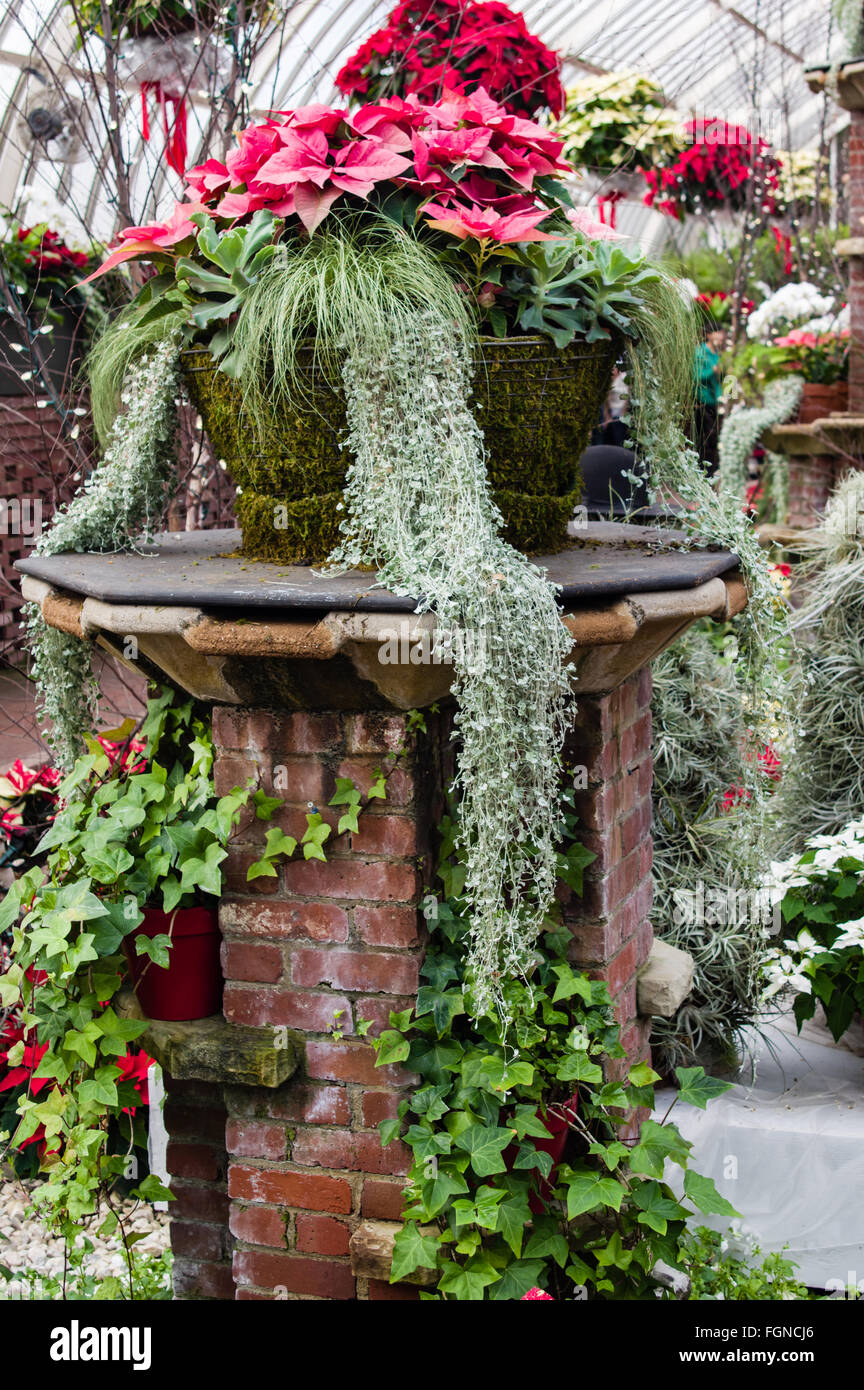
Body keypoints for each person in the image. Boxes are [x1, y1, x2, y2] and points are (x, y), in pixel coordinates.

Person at [692, 325, 725, 476]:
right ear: (708, 335)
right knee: (707, 438)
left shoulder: (720, 355)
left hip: (719, 403)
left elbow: (728, 377)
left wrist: (731, 397)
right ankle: (704, 472)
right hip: (703, 403)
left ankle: (713, 470)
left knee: (718, 438)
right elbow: (695, 378)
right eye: (717, 333)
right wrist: (713, 371)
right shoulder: (700, 353)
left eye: (722, 333)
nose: (720, 336)